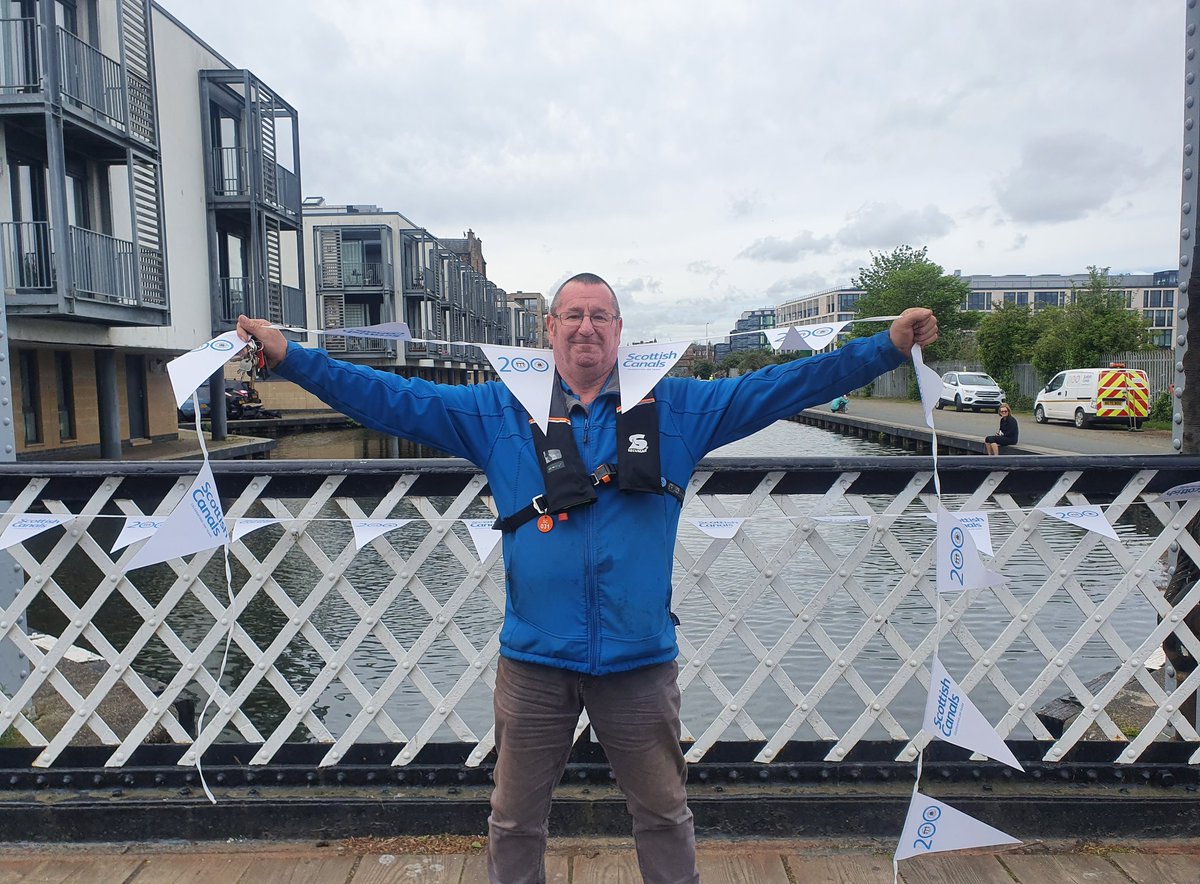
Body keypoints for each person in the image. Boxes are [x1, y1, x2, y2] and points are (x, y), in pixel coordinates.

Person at [236, 274, 938, 884]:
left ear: (620, 331)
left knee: (664, 814)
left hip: (639, 661)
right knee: (514, 821)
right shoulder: (496, 412)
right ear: (549, 330)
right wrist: (292, 356)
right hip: (535, 659)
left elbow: (783, 384)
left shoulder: (679, 410)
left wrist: (883, 346)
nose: (585, 327)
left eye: (600, 315)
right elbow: (389, 398)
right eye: (571, 315)